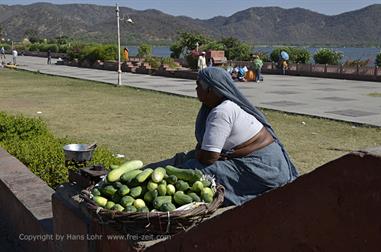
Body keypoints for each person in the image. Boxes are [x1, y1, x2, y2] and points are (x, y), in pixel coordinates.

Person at [147, 67, 298, 206]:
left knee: (193, 172)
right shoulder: (223, 105)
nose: (196, 88)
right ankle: (146, 171)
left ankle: (149, 182)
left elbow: (209, 158)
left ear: (211, 90)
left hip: (264, 168)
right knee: (184, 159)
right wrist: (204, 153)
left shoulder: (222, 111)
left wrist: (202, 153)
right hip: (264, 161)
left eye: (199, 85)